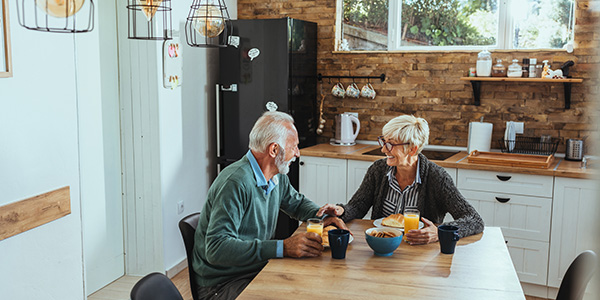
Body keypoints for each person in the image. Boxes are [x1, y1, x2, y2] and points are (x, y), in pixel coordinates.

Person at [193, 111, 347, 299]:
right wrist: (282, 247)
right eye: (294, 147)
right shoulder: (236, 183)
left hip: (256, 268)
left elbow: (296, 203)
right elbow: (216, 249)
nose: (297, 154)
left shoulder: (276, 176)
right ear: (274, 150)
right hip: (222, 284)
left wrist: (321, 214)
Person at [319, 114, 483, 245]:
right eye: (383, 141)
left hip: (419, 254)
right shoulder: (378, 170)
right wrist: (341, 210)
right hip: (381, 247)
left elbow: (474, 219)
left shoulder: (437, 178)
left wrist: (440, 232)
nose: (383, 149)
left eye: (390, 144)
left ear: (412, 149)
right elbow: (357, 206)